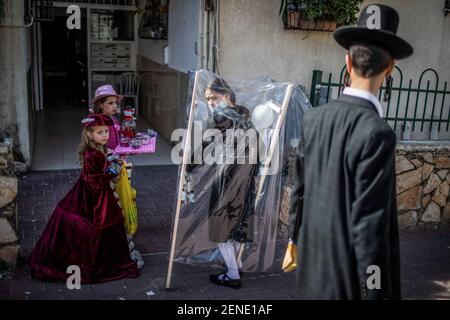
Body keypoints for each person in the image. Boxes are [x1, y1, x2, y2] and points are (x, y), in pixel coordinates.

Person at [288, 4, 413, 299]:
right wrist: (375, 293)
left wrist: (294, 244)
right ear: (391, 66)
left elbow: (299, 194)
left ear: (347, 62)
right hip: (349, 286)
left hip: (312, 274)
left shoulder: (313, 118)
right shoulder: (378, 133)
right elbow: (370, 228)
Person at [30, 114, 140, 283]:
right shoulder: (93, 154)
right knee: (102, 223)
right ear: (89, 134)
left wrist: (111, 161)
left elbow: (97, 172)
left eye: (106, 131)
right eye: (100, 132)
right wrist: (114, 169)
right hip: (94, 196)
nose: (105, 135)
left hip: (93, 192)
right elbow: (94, 180)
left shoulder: (97, 149)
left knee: (112, 222)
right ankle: (100, 263)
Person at [188, 78, 258, 289]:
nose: (210, 102)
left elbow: (203, 147)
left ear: (227, 96)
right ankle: (234, 264)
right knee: (236, 224)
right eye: (207, 98)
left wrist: (188, 167)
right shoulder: (246, 116)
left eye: (214, 97)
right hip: (246, 180)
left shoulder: (219, 119)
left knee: (221, 226)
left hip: (228, 179)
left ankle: (232, 274)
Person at [91, 85, 123, 151]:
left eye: (115, 103)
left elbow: (118, 133)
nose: (115, 106)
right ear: (101, 105)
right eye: (110, 103)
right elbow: (94, 143)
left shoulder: (113, 118)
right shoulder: (99, 121)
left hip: (116, 152)